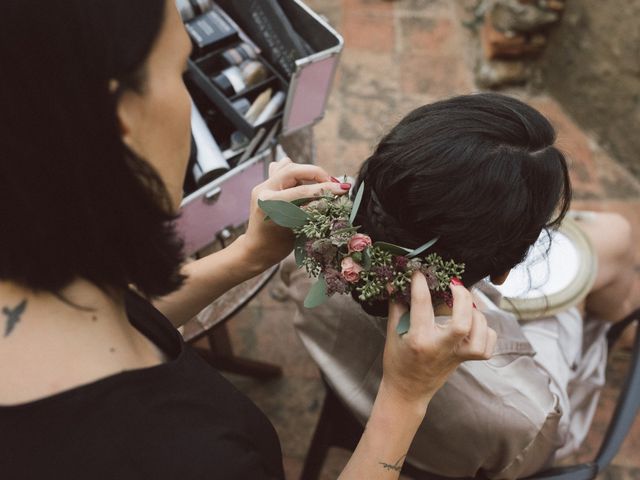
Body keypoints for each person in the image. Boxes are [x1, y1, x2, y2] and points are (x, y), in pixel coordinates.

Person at [0, 1, 497, 479]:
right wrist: (405, 398)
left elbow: (109, 317)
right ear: (120, 121)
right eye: (178, 72)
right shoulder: (182, 461)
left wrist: (246, 255)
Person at [284, 93, 636, 478]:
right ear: (503, 270)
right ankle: (617, 324)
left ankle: (614, 319)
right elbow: (535, 454)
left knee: (607, 244)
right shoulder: (521, 412)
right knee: (614, 237)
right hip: (465, 434)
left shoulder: (306, 250)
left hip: (351, 385)